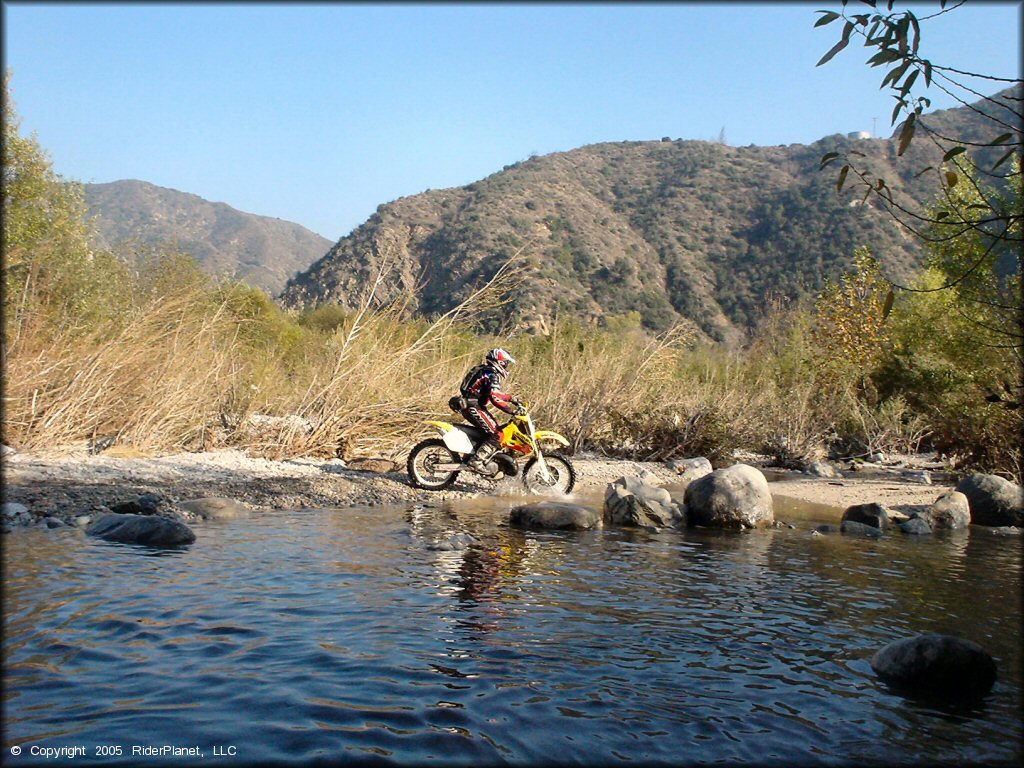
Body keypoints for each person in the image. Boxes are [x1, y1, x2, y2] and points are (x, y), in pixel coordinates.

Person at [453, 347, 524, 470]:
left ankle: (475, 454)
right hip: (473, 406)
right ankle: (476, 461)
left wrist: (512, 399)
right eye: (506, 363)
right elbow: (495, 398)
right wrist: (511, 410)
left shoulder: (485, 370)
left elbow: (496, 394)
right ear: (500, 362)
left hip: (472, 404)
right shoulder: (492, 374)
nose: (506, 366)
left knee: (492, 431)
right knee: (498, 435)